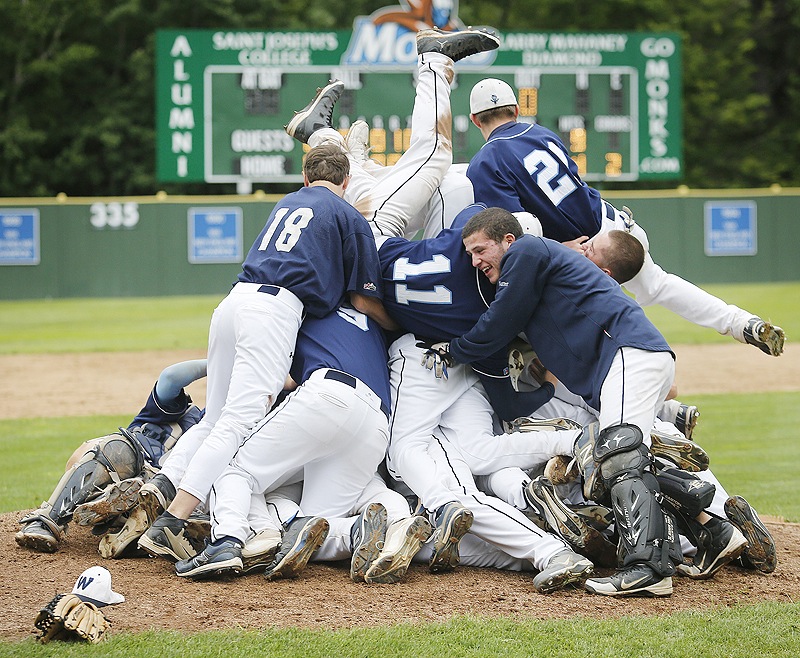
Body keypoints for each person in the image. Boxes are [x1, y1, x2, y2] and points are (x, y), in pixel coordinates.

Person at [137, 143, 394, 560]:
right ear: (346, 182)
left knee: (214, 418)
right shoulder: (349, 216)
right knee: (238, 424)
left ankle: (163, 489)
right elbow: (362, 300)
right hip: (276, 309)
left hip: (233, 301)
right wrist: (396, 324)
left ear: (306, 178)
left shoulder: (287, 202)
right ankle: (174, 520)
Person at [443, 207, 685, 597]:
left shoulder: (525, 251)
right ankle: (710, 530)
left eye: (480, 249)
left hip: (628, 354)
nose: (475, 261)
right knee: (627, 459)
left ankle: (648, 569)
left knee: (618, 456)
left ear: (509, 239)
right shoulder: (535, 265)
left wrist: (452, 348)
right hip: (632, 358)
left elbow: (500, 322)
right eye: (469, 253)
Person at [465, 78, 785, 357]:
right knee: (658, 284)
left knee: (563, 336)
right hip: (615, 226)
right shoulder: (542, 134)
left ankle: (658, 411)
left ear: (475, 120)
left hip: (584, 254)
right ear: (516, 111)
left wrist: (558, 249)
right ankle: (743, 323)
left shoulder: (485, 161)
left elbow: (509, 234)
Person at [171, 305, 392, 579]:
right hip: (377, 425)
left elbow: (278, 381)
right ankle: (356, 532)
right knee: (312, 530)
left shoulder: (298, 309)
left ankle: (230, 540)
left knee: (230, 466)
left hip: (327, 396)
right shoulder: (374, 322)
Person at [285, 26, 499, 243]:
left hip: (371, 235)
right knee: (445, 182)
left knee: (434, 153)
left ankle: (434, 59)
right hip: (369, 238)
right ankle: (323, 136)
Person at [14, 359, 206, 553]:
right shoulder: (182, 409)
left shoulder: (229, 434)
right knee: (115, 449)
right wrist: (217, 362)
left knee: (175, 499)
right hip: (127, 465)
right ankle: (51, 519)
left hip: (162, 495)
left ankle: (129, 518)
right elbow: (170, 377)